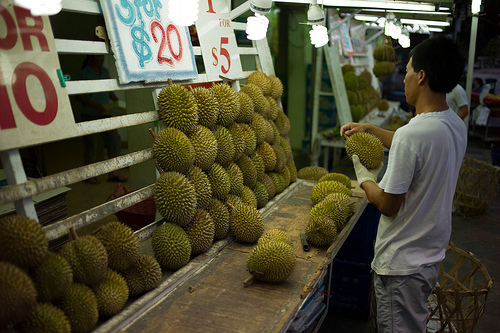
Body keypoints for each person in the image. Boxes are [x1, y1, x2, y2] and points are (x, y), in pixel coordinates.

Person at [340, 36, 467, 333]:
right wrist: (371, 129)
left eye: (408, 70)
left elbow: (387, 204)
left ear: (421, 76)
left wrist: (364, 179)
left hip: (401, 262)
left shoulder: (414, 135)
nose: (405, 76)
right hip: (427, 256)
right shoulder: (454, 125)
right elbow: (415, 144)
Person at [76, 55, 127, 184]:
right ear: (91, 58)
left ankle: (112, 173)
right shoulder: (84, 73)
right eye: (98, 57)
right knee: (91, 145)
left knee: (114, 141)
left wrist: (117, 102)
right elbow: (79, 96)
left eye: (102, 57)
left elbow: (109, 90)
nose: (101, 59)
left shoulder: (105, 71)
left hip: (106, 112)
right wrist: (95, 106)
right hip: (90, 114)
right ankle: (88, 175)